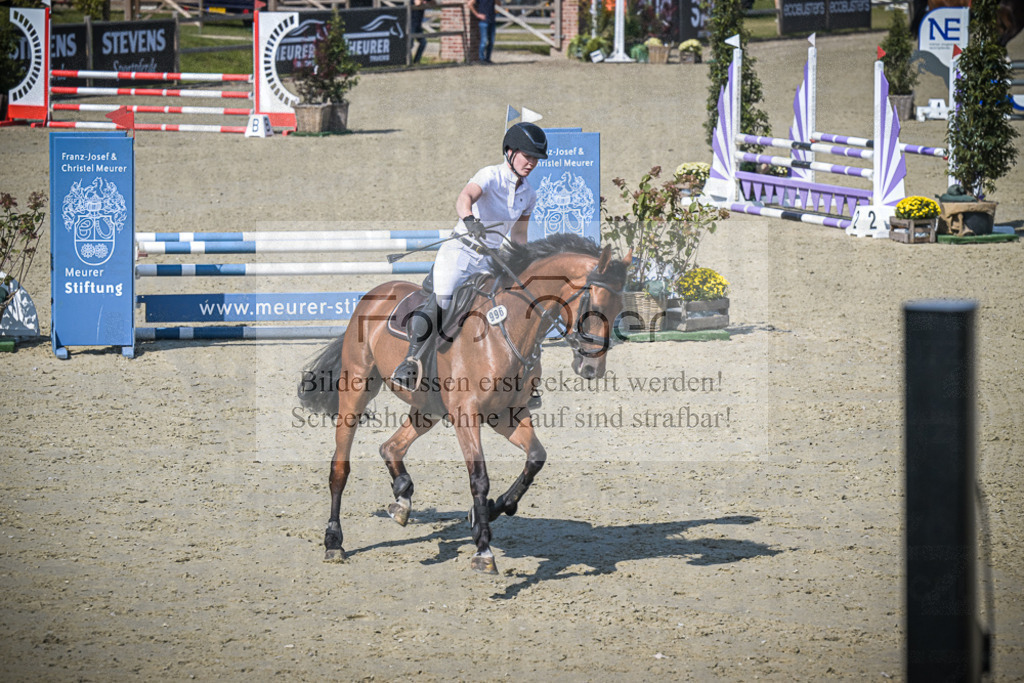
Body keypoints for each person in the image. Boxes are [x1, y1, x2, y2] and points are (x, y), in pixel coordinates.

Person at [391, 122, 548, 390]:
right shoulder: (489, 175)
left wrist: (525, 260)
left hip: (489, 260)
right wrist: (470, 219)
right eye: (527, 155)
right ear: (509, 152)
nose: (531, 162)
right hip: (460, 251)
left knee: (506, 305)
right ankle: (411, 360)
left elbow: (519, 234)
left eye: (535, 158)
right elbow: (464, 197)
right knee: (443, 300)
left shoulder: (529, 195)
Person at [411, 0, 429, 64]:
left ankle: (416, 61)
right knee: (410, 45)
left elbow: (435, 3)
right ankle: (407, 62)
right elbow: (417, 3)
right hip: (410, 23)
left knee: (423, 42)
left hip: (418, 24)